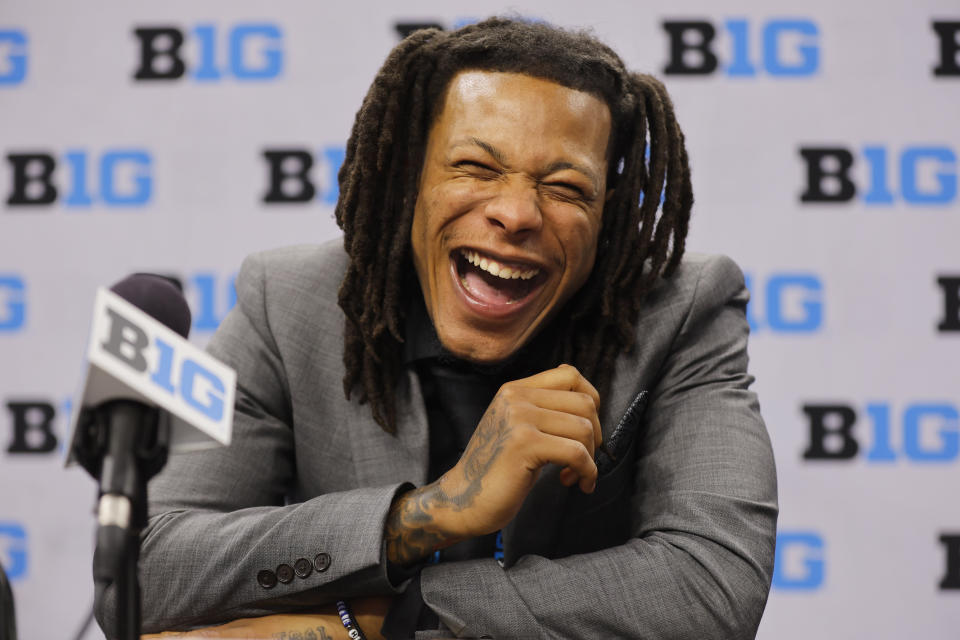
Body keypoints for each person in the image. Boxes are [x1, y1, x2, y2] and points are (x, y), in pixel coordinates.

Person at [97, 17, 778, 640]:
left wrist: (377, 622)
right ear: (409, 180)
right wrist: (428, 515)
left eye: (567, 188)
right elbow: (143, 570)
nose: (516, 213)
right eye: (475, 166)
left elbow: (713, 590)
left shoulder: (685, 308)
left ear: (610, 211)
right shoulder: (288, 300)